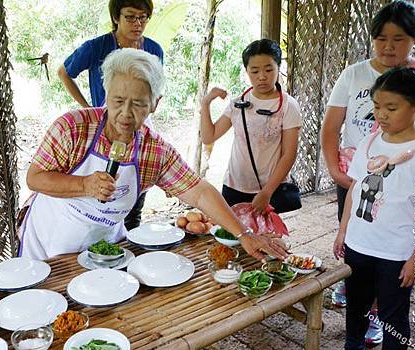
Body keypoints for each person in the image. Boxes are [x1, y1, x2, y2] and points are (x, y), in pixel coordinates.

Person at [19, 48, 287, 262]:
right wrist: (84, 185)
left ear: (155, 104)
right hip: (47, 242)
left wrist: (244, 233)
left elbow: (199, 191)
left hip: (102, 248)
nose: (125, 113)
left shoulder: (154, 150)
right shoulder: (73, 127)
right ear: (106, 94)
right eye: (117, 101)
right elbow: (35, 178)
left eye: (137, 104)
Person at [321, 0, 415, 345]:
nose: (388, 46)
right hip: (357, 172)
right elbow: (331, 127)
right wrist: (334, 171)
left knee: (394, 246)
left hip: (407, 179)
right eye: (381, 38)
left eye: (399, 39)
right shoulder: (353, 74)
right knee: (357, 238)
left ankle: (377, 317)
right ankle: (357, 294)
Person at [58, 0, 164, 230]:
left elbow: (155, 88)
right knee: (102, 193)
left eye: (143, 17)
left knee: (134, 193)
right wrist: (87, 107)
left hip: (136, 129)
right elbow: (64, 72)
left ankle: (130, 237)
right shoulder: (96, 47)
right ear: (116, 17)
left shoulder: (154, 49)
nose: (137, 23)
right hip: (103, 130)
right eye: (130, 17)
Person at [200, 39, 301, 214]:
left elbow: (289, 154)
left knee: (266, 239)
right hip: (234, 186)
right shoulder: (238, 103)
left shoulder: (287, 106)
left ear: (278, 68)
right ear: (247, 71)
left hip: (269, 189)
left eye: (269, 70)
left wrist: (267, 192)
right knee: (231, 238)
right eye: (255, 71)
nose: (262, 76)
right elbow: (209, 137)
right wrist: (206, 103)